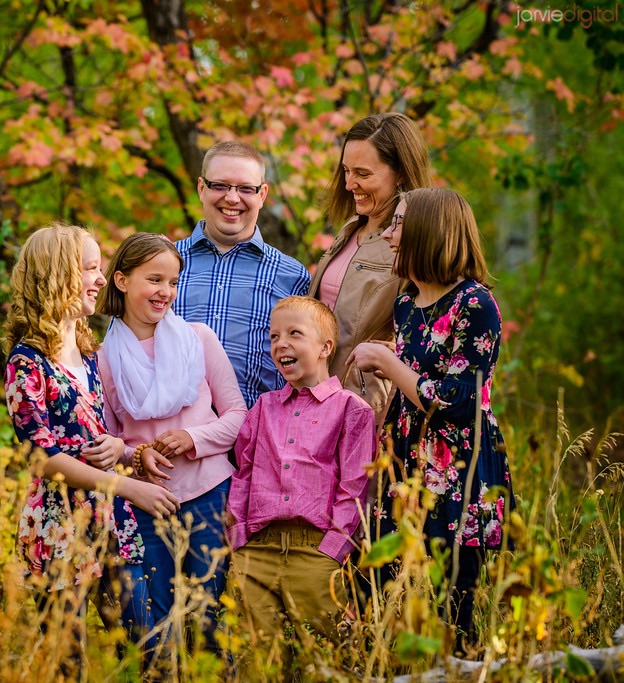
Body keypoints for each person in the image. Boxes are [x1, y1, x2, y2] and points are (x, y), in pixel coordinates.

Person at [2, 223, 181, 673]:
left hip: (111, 522)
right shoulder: (27, 361)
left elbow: (94, 436)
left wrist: (125, 449)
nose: (101, 279)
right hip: (58, 526)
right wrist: (129, 486)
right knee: (69, 665)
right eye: (90, 269)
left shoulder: (87, 352)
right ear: (57, 274)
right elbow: (42, 458)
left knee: (150, 654)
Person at [347, 188, 515, 651]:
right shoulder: (406, 303)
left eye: (398, 224)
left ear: (428, 230)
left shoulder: (474, 304)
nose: (389, 235)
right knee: (378, 587)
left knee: (453, 601)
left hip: (457, 467)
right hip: (403, 462)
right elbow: (412, 387)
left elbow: (458, 403)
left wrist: (388, 362)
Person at [95, 233, 247, 657]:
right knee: (155, 622)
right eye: (155, 279)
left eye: (173, 282)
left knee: (210, 614)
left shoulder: (198, 338)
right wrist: (137, 453)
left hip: (209, 494)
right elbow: (109, 439)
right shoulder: (103, 358)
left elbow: (238, 416)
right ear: (122, 281)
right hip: (146, 503)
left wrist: (191, 438)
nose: (166, 292)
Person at [227, 296, 375, 676]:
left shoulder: (351, 409)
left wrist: (332, 551)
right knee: (257, 661)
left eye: (294, 334)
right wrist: (239, 540)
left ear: (325, 347)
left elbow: (355, 486)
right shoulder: (263, 407)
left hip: (315, 553)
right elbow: (244, 473)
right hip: (256, 552)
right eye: (274, 336)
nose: (281, 344)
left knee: (323, 661)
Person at [308, 113, 432, 423]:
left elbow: (432, 336)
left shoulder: (411, 244)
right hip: (316, 397)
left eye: (362, 173)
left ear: (400, 173)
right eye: (346, 171)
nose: (349, 184)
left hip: (364, 408)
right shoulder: (350, 229)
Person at [175, 140, 311, 409]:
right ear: (201, 188)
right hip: (168, 430)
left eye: (246, 189)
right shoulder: (163, 264)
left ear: (262, 194)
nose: (232, 198)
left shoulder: (292, 277)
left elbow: (308, 374)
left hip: (257, 430)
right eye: (220, 185)